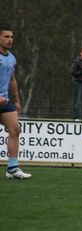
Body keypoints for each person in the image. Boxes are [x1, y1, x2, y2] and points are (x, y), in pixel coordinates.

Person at [0, 25, 31, 179]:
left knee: (15, 130)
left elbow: (12, 80)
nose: (10, 40)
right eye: (6, 37)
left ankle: (12, 169)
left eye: (11, 37)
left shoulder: (11, 58)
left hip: (5, 101)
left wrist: (17, 101)